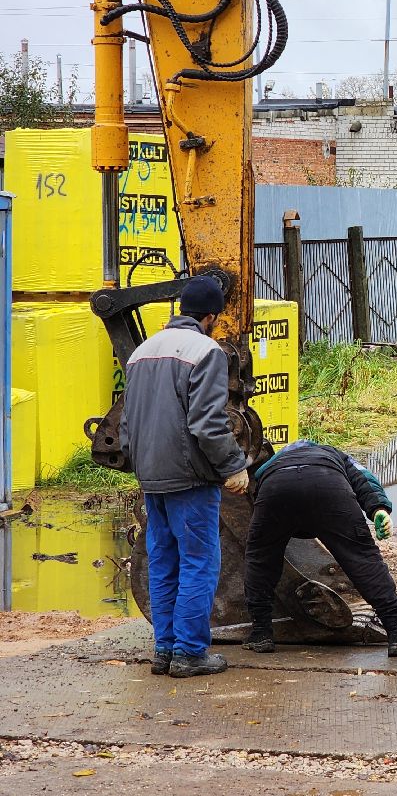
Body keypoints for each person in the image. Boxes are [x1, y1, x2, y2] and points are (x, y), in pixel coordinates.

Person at [120, 274, 250, 679]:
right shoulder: (206, 351)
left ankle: (164, 650)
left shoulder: (141, 352)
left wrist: (140, 465)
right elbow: (208, 423)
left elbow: (127, 423)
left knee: (162, 562)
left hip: (150, 476)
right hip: (189, 479)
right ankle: (191, 653)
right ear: (211, 316)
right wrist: (234, 466)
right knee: (199, 562)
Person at [243, 440, 397, 657]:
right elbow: (363, 479)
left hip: (276, 489)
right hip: (327, 486)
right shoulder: (334, 453)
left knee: (260, 558)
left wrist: (267, 532)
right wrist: (378, 509)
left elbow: (256, 491)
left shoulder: (272, 463)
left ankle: (261, 634)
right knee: (362, 558)